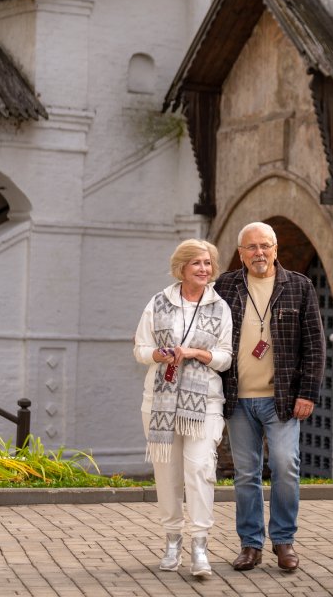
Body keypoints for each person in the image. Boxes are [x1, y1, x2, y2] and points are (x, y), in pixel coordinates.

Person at [214, 222, 325, 572]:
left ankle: (283, 540)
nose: (258, 253)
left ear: (275, 249)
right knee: (246, 474)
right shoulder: (225, 286)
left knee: (285, 466)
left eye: (264, 246)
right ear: (241, 253)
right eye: (251, 247)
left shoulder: (299, 286)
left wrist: (307, 393)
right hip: (237, 398)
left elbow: (315, 345)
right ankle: (250, 545)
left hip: (282, 399)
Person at [134, 239, 233, 577]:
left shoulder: (220, 307)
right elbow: (140, 349)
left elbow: (225, 357)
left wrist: (195, 353)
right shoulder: (158, 302)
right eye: (197, 263)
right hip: (160, 403)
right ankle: (172, 540)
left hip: (205, 403)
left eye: (208, 263)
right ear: (182, 268)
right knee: (168, 475)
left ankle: (200, 546)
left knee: (200, 469)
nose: (204, 269)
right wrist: (158, 354)